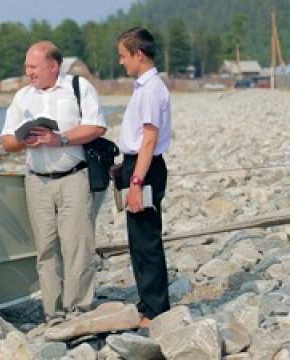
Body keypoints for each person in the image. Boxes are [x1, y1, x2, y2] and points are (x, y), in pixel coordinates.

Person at [1, 41, 107, 326]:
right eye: (27, 67)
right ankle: (54, 313)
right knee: (46, 248)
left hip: (74, 176)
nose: (28, 72)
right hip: (36, 181)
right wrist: (24, 140)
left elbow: (96, 126)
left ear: (53, 66)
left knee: (77, 246)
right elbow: (7, 140)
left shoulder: (78, 87)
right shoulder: (22, 96)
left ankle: (79, 310)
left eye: (33, 67)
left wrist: (59, 138)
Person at [117, 27, 172, 327]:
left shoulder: (151, 89)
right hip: (137, 165)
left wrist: (136, 182)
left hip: (144, 167)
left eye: (124, 56)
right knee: (137, 239)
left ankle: (155, 310)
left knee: (147, 239)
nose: (122, 62)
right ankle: (146, 303)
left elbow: (149, 139)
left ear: (139, 54)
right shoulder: (143, 87)